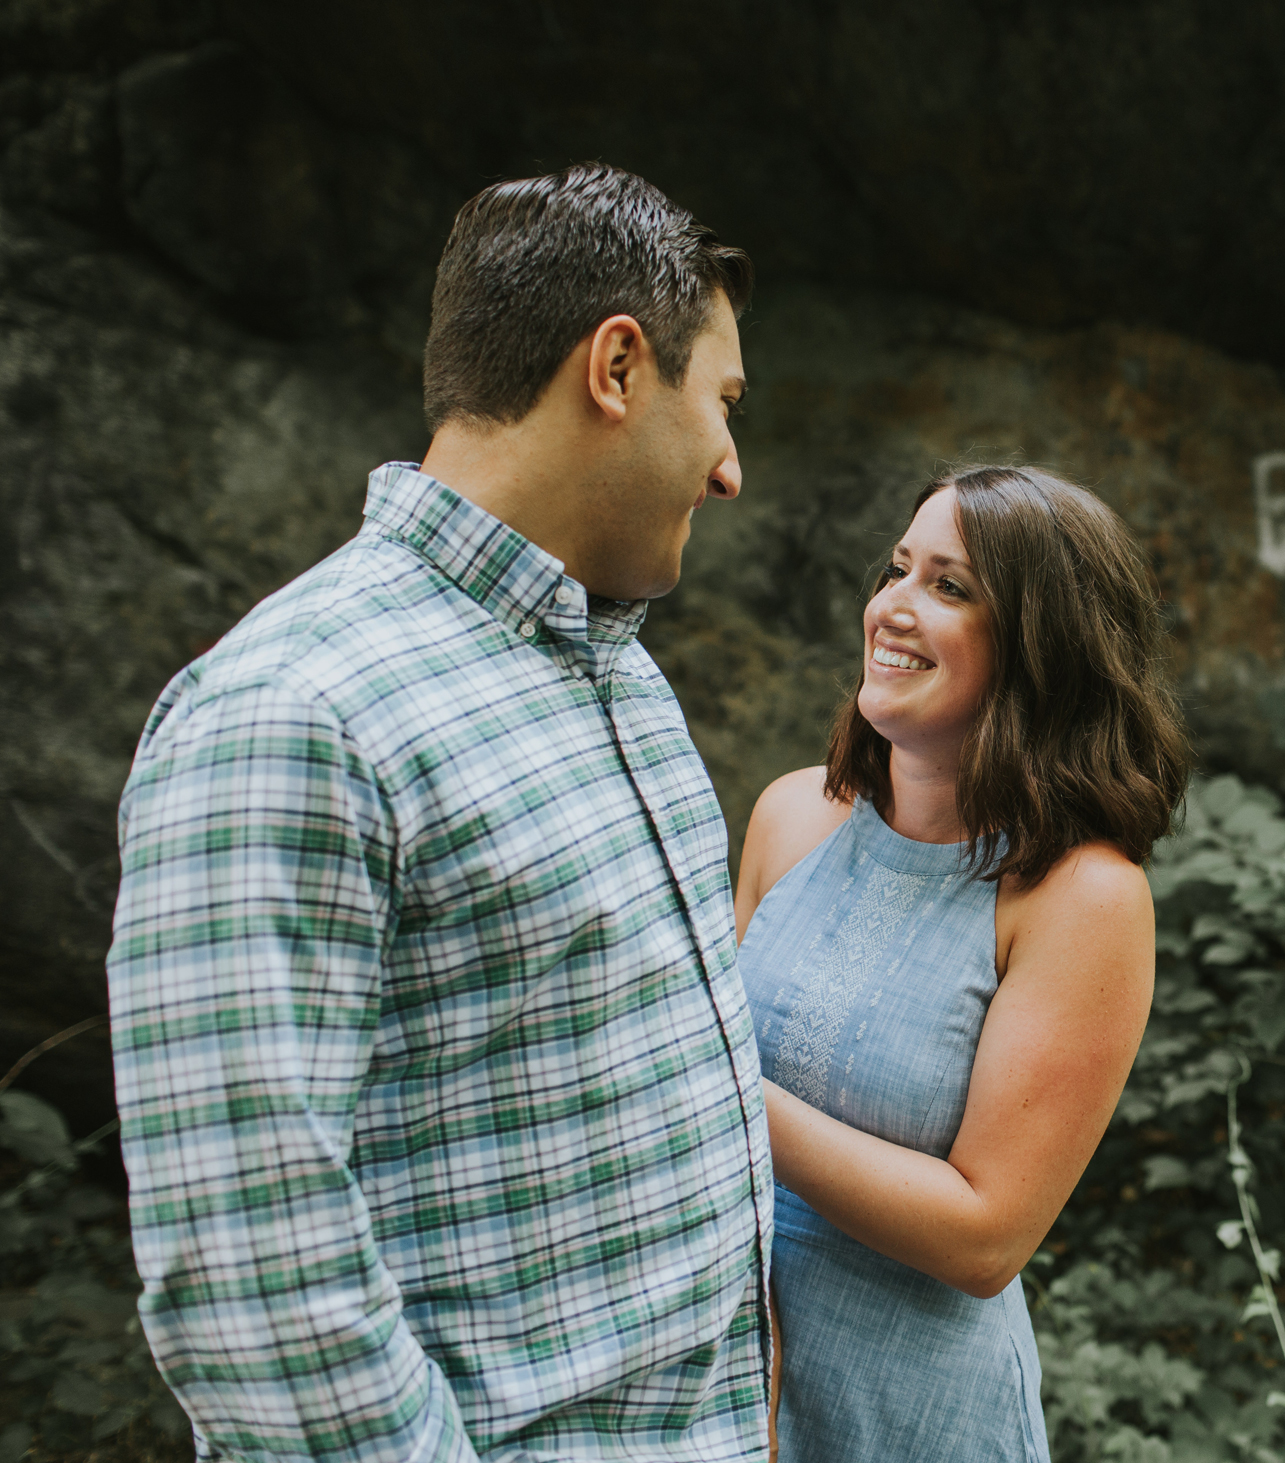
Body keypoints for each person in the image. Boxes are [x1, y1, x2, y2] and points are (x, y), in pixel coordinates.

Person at [106, 164, 777, 1463]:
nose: (732, 467)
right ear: (618, 367)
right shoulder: (290, 709)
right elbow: (252, 1270)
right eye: (725, 402)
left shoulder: (618, 670)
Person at [732, 465, 1191, 1459]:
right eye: (898, 569)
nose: (893, 607)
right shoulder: (790, 814)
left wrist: (707, 1079)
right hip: (723, 1381)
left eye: (949, 585)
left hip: (913, 1410)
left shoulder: (1082, 897)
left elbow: (985, 1236)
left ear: (1040, 645)